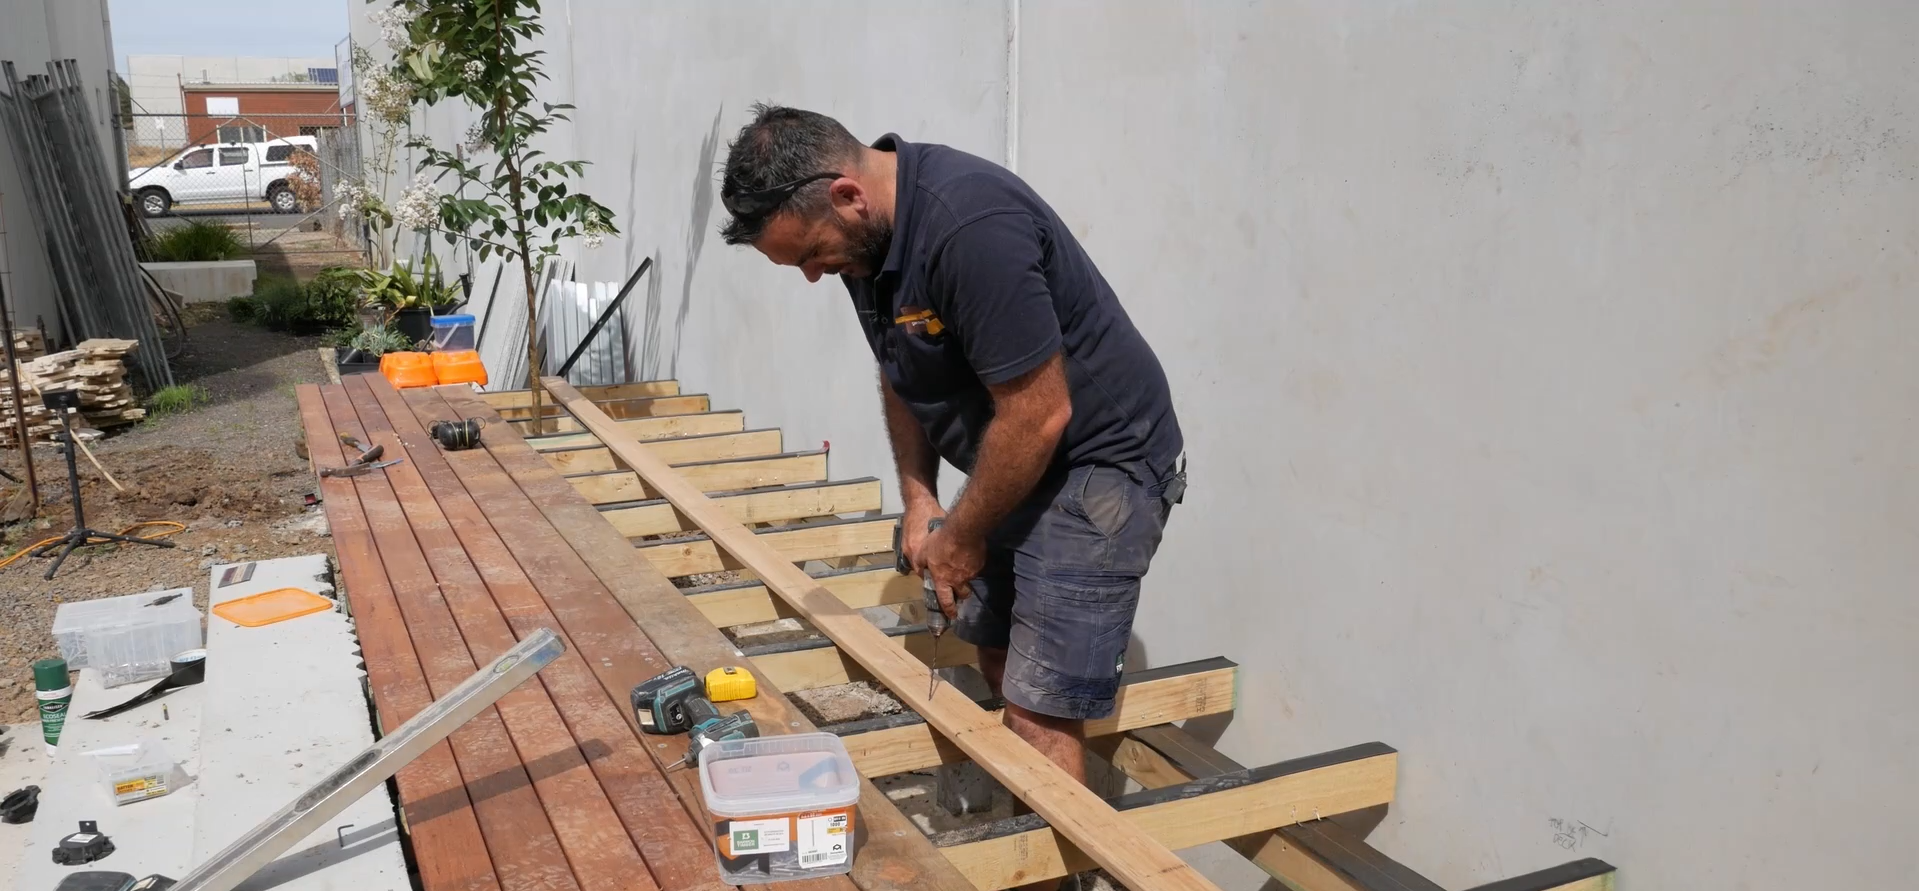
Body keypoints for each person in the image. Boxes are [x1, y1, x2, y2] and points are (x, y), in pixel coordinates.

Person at [717, 103, 1186, 807]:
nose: (815, 275)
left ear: (847, 194)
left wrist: (963, 535)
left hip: (1099, 465)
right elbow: (900, 364)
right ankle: (1029, 832)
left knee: (1038, 706)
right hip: (1018, 454)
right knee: (996, 652)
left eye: (812, 255)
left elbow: (1040, 412)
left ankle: (1057, 873)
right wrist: (920, 498)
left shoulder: (970, 228)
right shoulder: (865, 240)